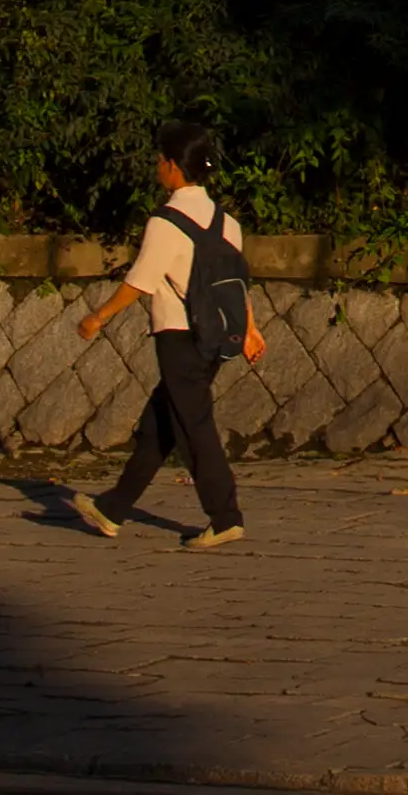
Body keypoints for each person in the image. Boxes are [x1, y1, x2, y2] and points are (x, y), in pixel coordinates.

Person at [68, 122, 264, 546]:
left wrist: (98, 317)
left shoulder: (166, 221)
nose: (157, 167)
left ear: (175, 167)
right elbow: (236, 283)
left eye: (160, 160)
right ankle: (112, 509)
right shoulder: (228, 223)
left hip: (180, 337)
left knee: (194, 424)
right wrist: (248, 329)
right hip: (216, 338)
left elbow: (141, 281)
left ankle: (225, 516)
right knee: (162, 423)